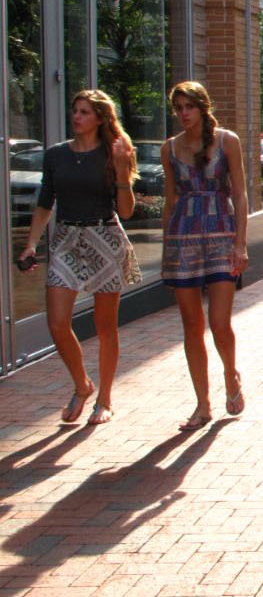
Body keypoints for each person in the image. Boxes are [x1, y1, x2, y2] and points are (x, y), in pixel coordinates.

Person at [18, 89, 140, 426]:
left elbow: (127, 211)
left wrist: (119, 171)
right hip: (66, 239)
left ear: (99, 118)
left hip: (104, 236)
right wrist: (31, 244)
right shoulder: (56, 155)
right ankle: (82, 385)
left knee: (105, 326)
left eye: (85, 112)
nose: (77, 116)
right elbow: (45, 203)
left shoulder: (114, 152)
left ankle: (105, 398)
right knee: (57, 324)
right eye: (75, 110)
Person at [161, 82, 250, 432]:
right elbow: (170, 201)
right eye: (178, 108)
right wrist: (167, 247)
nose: (183, 114)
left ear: (203, 107)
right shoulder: (170, 148)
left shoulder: (227, 141)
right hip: (183, 240)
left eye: (189, 107)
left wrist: (240, 244)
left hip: (221, 237)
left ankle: (231, 374)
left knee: (219, 323)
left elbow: (241, 195)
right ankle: (202, 404)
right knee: (190, 325)